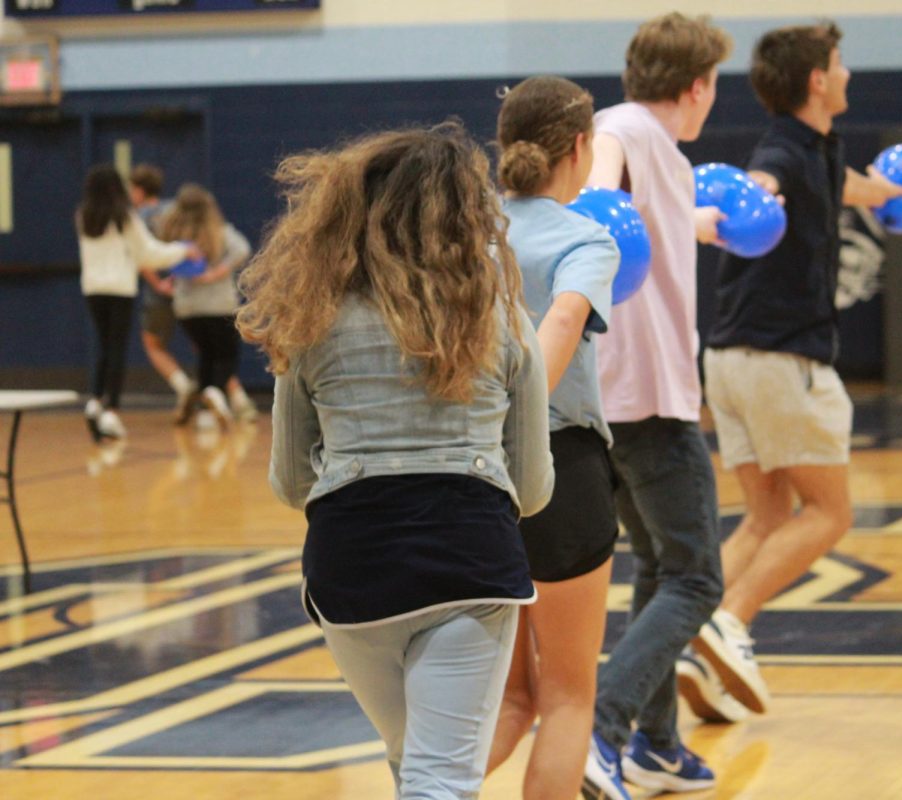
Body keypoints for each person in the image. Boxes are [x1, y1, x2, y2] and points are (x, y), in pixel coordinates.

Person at [237, 122, 554, 798]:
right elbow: (530, 488)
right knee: (438, 778)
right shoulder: (501, 318)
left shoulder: (310, 324)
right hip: (472, 559)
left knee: (414, 762)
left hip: (350, 569)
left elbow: (291, 481)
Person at [686, 22, 902, 722]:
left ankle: (691, 640)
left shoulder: (817, 146)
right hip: (782, 357)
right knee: (830, 513)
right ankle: (730, 620)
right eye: (839, 63)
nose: (847, 73)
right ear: (817, 79)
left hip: (728, 358)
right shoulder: (781, 149)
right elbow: (767, 181)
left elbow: (838, 183)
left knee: (766, 514)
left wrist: (896, 198)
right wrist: (729, 205)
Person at [581, 13, 731, 799]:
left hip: (625, 401)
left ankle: (659, 746)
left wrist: (703, 224)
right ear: (698, 86)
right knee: (699, 579)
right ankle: (601, 732)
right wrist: (596, 198)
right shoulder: (625, 129)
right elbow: (601, 173)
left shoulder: (662, 153)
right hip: (649, 403)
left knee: (661, 567)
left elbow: (653, 221)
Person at [485, 75, 621, 800]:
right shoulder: (586, 237)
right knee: (568, 696)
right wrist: (521, 414)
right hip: (558, 468)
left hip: (471, 473)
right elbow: (564, 323)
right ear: (579, 146)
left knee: (506, 700)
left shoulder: (464, 233)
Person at [76, 164, 192, 440]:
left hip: (93, 289)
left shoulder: (83, 216)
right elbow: (149, 254)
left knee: (103, 346)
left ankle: (95, 401)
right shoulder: (125, 216)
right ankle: (112, 411)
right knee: (116, 349)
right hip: (119, 289)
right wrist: (183, 250)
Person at [158, 184, 252, 428]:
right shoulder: (218, 230)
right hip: (219, 304)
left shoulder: (174, 233)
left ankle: (203, 395)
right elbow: (242, 248)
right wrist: (216, 273)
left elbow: (162, 257)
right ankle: (215, 392)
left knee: (206, 354)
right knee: (227, 354)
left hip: (187, 308)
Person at [129, 164, 195, 419]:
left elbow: (141, 257)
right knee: (202, 342)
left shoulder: (137, 218)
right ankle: (225, 394)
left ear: (138, 190)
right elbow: (189, 248)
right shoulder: (175, 210)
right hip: (188, 287)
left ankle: (183, 386)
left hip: (159, 293)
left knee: (153, 344)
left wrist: (158, 284)